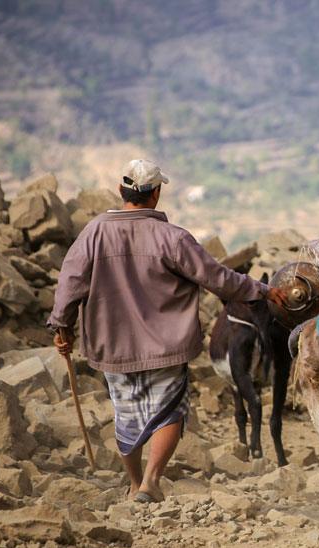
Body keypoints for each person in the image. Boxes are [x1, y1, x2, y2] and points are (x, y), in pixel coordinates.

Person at [48, 159, 288, 502]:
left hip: (111, 343)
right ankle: (151, 481)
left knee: (126, 412)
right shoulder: (173, 237)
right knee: (169, 411)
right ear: (156, 193)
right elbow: (218, 278)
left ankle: (133, 484)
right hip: (165, 344)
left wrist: (61, 326)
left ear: (121, 191)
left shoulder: (94, 233)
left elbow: (70, 282)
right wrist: (262, 290)